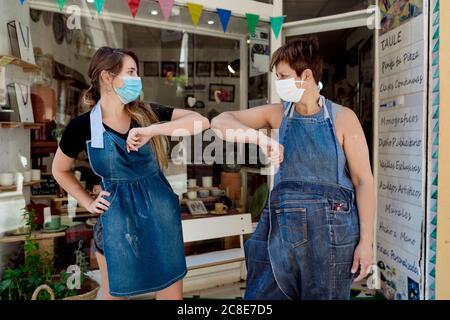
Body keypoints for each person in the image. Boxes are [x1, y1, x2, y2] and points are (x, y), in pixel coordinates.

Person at [211, 39, 374, 300]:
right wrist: (260, 139)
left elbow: (363, 181)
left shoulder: (343, 118)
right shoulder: (277, 114)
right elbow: (219, 122)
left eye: (284, 76)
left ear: (306, 75)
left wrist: (366, 242)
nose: (279, 83)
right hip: (281, 232)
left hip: (331, 234)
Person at [52, 47, 209, 300]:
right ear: (107, 77)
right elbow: (59, 169)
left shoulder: (147, 114)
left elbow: (201, 121)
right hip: (116, 222)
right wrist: (88, 202)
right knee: (116, 294)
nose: (137, 79)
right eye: (131, 72)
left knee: (170, 293)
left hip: (161, 218)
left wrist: (153, 131)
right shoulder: (82, 127)